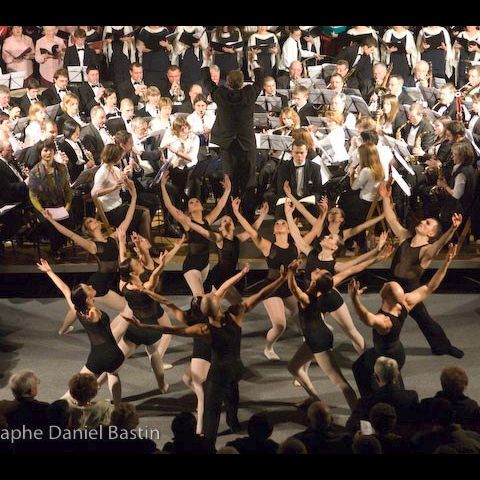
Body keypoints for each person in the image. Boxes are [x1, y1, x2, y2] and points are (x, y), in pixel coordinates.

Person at [124, 262, 288, 444]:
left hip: (218, 374)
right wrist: (282, 278)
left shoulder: (203, 329)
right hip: (236, 368)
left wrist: (142, 325)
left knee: (211, 411)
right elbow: (261, 294)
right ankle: (233, 423)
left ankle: (208, 442)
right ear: (218, 305)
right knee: (233, 396)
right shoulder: (235, 314)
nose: (211, 293)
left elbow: (169, 329)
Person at [286, 241, 390, 410]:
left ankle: (359, 415)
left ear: (315, 283)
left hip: (319, 340)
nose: (317, 269)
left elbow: (292, 288)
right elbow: (352, 270)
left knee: (340, 382)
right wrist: (377, 258)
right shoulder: (326, 286)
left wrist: (290, 273)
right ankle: (315, 399)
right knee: (293, 367)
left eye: (319, 272)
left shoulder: (307, 299)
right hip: (315, 336)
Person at [349, 243, 458, 397]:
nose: (385, 282)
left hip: (388, 356)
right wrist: (447, 262)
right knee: (359, 368)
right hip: (395, 350)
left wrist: (354, 299)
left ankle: (397, 407)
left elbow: (366, 318)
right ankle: (372, 400)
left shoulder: (384, 321)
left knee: (392, 388)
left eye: (387, 284)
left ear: (384, 295)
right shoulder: (405, 303)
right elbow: (430, 287)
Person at [41, 175, 137, 335]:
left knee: (78, 308)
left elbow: (128, 218)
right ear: (90, 230)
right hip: (99, 287)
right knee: (127, 309)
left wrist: (134, 197)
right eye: (91, 221)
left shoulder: (113, 238)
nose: (95, 221)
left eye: (93, 219)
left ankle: (63, 330)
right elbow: (70, 234)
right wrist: (51, 221)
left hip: (104, 284)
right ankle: (114, 333)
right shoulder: (93, 246)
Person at [380, 181, 464, 357]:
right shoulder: (405, 236)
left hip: (410, 289)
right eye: (424, 221)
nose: (422, 223)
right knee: (388, 318)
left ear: (431, 234)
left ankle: (443, 347)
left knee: (423, 320)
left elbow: (439, 245)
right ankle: (384, 348)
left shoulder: (426, 250)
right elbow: (391, 219)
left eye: (427, 224)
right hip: (393, 284)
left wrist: (452, 229)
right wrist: (385, 198)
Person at [36, 259, 124, 405]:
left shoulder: (77, 309)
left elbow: (65, 289)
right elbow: (95, 318)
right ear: (88, 298)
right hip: (114, 354)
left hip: (99, 356)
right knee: (113, 375)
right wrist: (93, 317)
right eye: (88, 288)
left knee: (78, 387)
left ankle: (58, 406)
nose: (90, 285)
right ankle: (118, 405)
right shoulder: (93, 311)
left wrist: (49, 272)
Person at [203, 48, 263, 222]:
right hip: (246, 143)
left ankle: (232, 216)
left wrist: (207, 60)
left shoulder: (221, 94)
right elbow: (259, 80)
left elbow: (207, 82)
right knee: (249, 181)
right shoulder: (249, 93)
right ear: (242, 82)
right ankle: (249, 217)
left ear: (227, 82)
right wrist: (254, 60)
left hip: (228, 144)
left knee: (230, 181)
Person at [161, 171, 231, 296]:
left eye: (197, 201)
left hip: (205, 265)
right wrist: (162, 186)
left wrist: (227, 190)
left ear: (202, 207)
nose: (195, 203)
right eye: (191, 203)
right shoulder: (187, 222)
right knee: (199, 295)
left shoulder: (207, 221)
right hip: (191, 266)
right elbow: (169, 206)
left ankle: (193, 314)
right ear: (188, 209)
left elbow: (219, 206)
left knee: (199, 297)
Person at [91, 143, 151, 239]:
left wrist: (127, 179)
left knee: (145, 210)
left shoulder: (114, 169)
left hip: (119, 205)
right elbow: (94, 193)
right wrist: (112, 188)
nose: (121, 157)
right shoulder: (102, 172)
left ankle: (141, 243)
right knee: (144, 213)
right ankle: (146, 245)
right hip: (110, 210)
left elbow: (124, 186)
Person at [346, 357, 419, 432]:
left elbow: (350, 426)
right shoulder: (411, 397)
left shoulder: (365, 402)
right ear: (397, 375)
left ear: (376, 377)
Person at [28, 138, 73, 259]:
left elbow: (68, 190)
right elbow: (33, 196)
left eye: (51, 150)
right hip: (43, 206)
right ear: (40, 153)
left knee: (69, 219)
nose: (48, 153)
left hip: (60, 205)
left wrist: (67, 206)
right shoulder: (34, 172)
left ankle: (59, 246)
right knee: (51, 224)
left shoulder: (62, 168)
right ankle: (55, 250)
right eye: (45, 150)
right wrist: (42, 210)